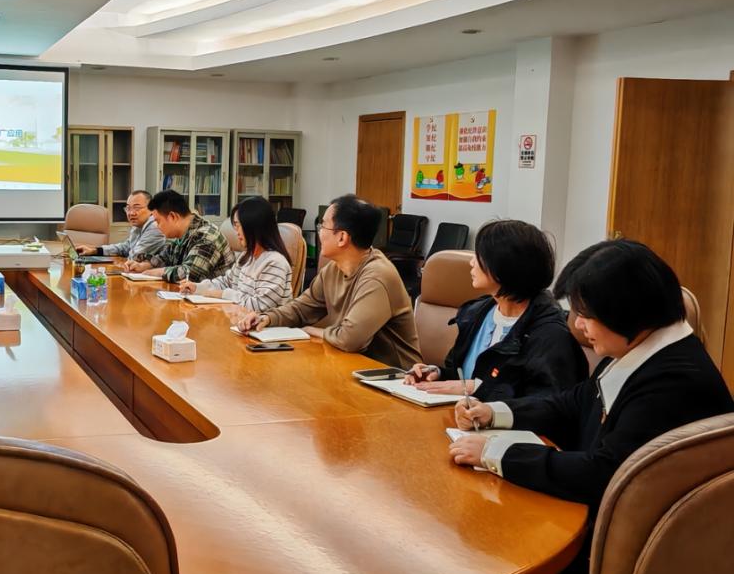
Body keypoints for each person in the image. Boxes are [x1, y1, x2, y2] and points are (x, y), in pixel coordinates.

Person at [448, 239, 733, 507]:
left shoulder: (673, 384)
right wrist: (494, 412)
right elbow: (574, 403)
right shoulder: (638, 349)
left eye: (586, 315)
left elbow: (604, 473)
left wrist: (496, 453)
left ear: (625, 312)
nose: (578, 325)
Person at [404, 219, 587, 400]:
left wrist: (478, 388)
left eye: (480, 257)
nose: (472, 263)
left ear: (506, 265)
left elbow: (548, 403)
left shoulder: (550, 334)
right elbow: (462, 376)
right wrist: (436, 373)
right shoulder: (477, 312)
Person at [236, 194, 421, 367]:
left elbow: (349, 339)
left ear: (342, 238)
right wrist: (267, 318)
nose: (319, 233)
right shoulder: (334, 269)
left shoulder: (377, 277)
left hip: (393, 376)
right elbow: (301, 308)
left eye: (323, 226)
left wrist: (313, 331)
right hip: (351, 366)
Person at [178, 197, 293, 312]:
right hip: (239, 318)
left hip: (261, 323)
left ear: (253, 226)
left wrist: (223, 294)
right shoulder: (246, 256)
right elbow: (226, 282)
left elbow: (259, 306)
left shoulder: (275, 263)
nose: (237, 231)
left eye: (239, 225)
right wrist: (197, 288)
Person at [122, 189, 233, 282]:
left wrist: (157, 272)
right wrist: (142, 266)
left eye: (158, 221)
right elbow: (164, 258)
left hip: (213, 299)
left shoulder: (207, 237)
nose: (157, 226)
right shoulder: (182, 235)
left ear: (172, 217)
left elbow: (190, 274)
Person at [76, 189, 165, 260]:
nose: (131, 213)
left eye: (137, 208)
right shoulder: (138, 226)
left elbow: (135, 257)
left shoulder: (155, 227)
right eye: (128, 208)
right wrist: (95, 251)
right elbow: (125, 247)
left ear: (151, 209)